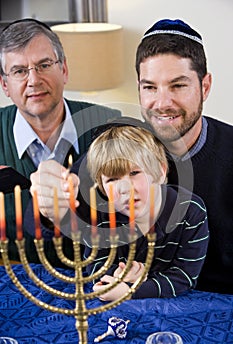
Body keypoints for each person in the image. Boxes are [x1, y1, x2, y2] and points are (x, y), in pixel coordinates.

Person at [27, 118, 209, 299]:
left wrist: (133, 290)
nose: (125, 189)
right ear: (102, 188)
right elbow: (97, 269)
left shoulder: (190, 211)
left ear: (161, 172)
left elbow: (184, 277)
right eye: (112, 180)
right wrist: (117, 276)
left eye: (135, 173)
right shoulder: (101, 216)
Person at [0, 18, 120, 265]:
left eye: (44, 65)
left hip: (98, 277)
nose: (33, 80)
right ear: (4, 84)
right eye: (20, 71)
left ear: (64, 70)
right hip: (12, 282)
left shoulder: (110, 126)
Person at [135, 18, 233, 294]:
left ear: (205, 86)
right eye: (150, 87)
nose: (162, 103)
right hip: (142, 304)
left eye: (178, 86)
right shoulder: (120, 151)